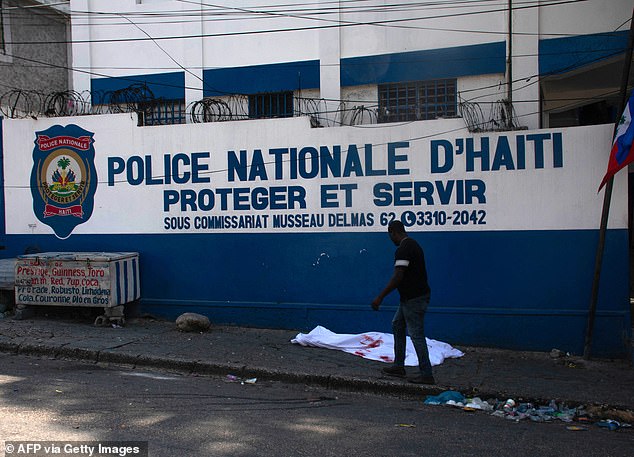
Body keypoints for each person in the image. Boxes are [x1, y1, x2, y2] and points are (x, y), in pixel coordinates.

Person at [371, 220, 435, 385]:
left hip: (414, 299)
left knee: (416, 335)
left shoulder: (403, 249)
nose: (390, 239)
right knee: (397, 325)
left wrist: (380, 297)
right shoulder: (413, 245)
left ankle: (426, 373)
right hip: (411, 297)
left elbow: (398, 276)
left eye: (390, 235)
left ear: (393, 232)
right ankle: (399, 366)